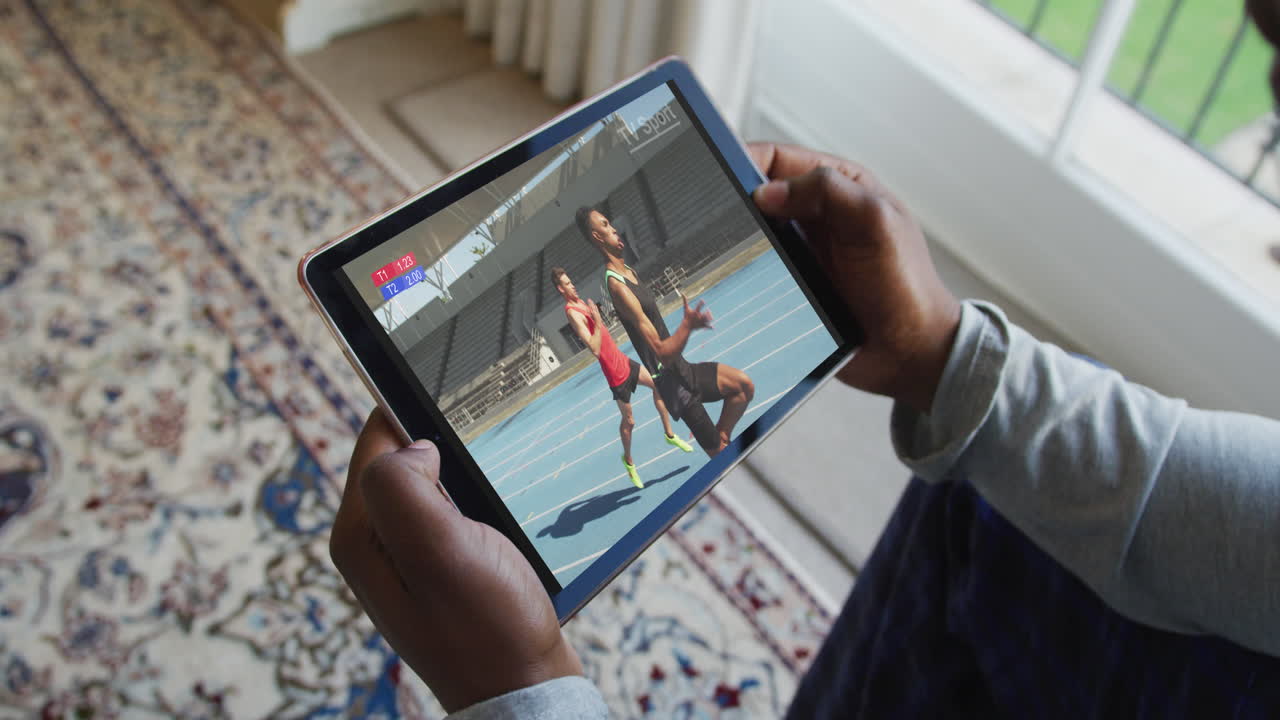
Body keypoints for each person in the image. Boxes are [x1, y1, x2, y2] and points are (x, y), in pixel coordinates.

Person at [576, 207, 755, 456]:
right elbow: (661, 352)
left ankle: (720, 440)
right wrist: (687, 326)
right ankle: (720, 450)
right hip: (672, 381)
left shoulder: (630, 273)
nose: (614, 228)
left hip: (682, 369)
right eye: (605, 225)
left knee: (743, 387)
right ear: (597, 237)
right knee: (722, 455)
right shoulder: (618, 286)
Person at [551, 266, 695, 488]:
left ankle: (669, 434)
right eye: (568, 284)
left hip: (623, 361)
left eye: (572, 281)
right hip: (614, 373)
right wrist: (598, 321)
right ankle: (628, 461)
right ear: (561, 289)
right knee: (629, 421)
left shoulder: (582, 303)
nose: (573, 285)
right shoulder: (572, 312)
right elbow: (595, 349)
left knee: (658, 385)